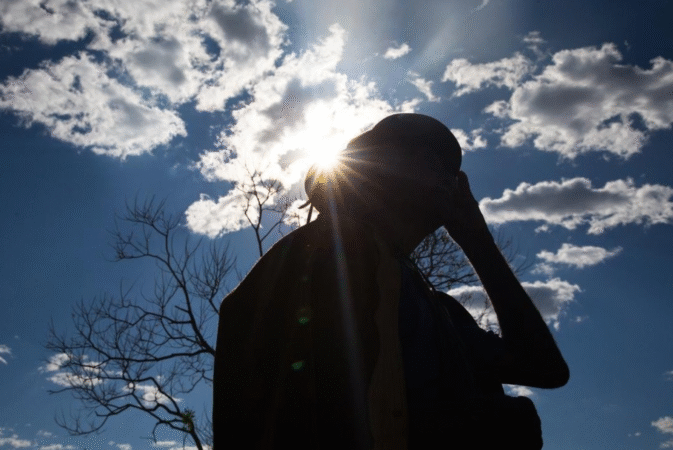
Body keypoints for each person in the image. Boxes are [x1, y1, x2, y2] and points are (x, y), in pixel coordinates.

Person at [212, 113, 569, 449]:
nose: (448, 179)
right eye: (428, 160)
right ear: (374, 173)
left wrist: (478, 241)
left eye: (450, 171)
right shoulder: (324, 251)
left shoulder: (441, 311)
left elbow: (543, 368)